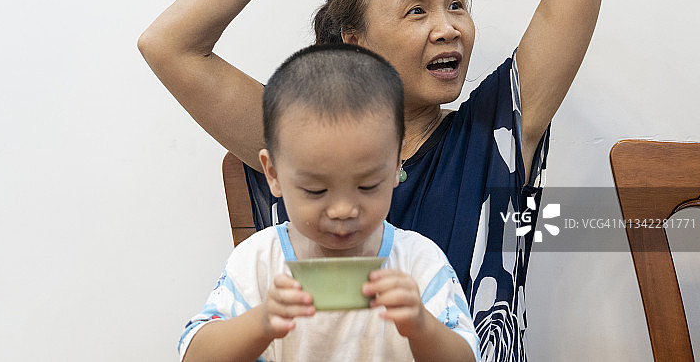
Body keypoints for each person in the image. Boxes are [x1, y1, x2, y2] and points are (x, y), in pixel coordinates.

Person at [139, 0, 608, 362]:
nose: (447, 28)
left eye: (456, 4)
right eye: (416, 11)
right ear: (353, 41)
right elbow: (168, 45)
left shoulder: (493, 134)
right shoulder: (300, 135)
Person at [178, 44, 480, 362]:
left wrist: (421, 325)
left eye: (366, 186)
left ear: (396, 166)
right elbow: (195, 355)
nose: (342, 210)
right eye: (316, 190)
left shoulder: (418, 262)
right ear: (274, 174)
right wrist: (261, 322)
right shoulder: (260, 261)